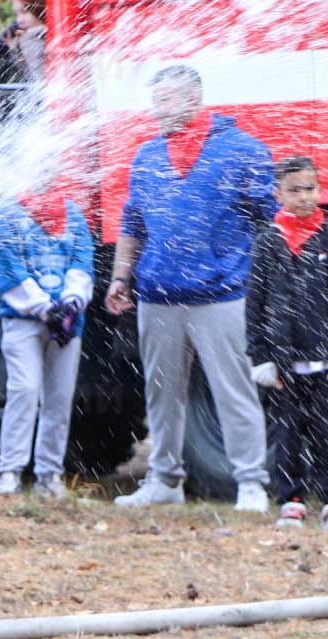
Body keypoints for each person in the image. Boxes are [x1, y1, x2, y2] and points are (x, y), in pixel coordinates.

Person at [105, 64, 275, 512]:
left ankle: (251, 483)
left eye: (165, 101)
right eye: (155, 101)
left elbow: (272, 221)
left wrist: (265, 282)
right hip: (158, 295)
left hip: (222, 294)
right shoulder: (146, 156)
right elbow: (131, 224)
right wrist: (122, 277)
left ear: (193, 100)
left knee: (233, 390)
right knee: (161, 392)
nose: (157, 110)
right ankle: (165, 480)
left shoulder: (242, 150)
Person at [246, 156, 328, 530]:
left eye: (310, 188)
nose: (304, 197)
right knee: (287, 433)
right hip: (287, 361)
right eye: (294, 190)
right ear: (278, 193)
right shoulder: (269, 241)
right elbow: (255, 304)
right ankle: (291, 499)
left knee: (325, 431)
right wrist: (260, 355)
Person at [0, 190, 94, 498]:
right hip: (22, 319)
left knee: (59, 397)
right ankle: (10, 470)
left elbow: (82, 261)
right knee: (24, 389)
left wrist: (70, 304)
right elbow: (7, 268)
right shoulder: (8, 213)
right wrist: (44, 307)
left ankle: (50, 474)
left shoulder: (72, 212)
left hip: (67, 320)